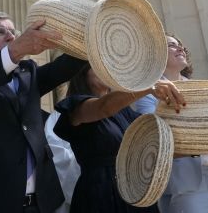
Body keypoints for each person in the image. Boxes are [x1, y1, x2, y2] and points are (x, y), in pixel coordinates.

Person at [0, 11, 89, 213]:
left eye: (13, 32)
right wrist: (15, 50)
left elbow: (64, 67)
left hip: (43, 203)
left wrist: (89, 37)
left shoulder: (28, 72)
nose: (11, 36)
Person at [53, 63, 183, 212]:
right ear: (82, 75)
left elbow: (156, 146)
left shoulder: (126, 112)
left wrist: (199, 145)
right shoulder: (76, 106)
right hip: (100, 192)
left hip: (135, 191)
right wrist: (148, 86)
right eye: (98, 67)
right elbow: (103, 107)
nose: (105, 72)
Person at [134, 34, 208, 213]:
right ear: (156, 54)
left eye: (180, 45)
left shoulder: (203, 89)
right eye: (171, 46)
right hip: (183, 184)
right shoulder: (147, 94)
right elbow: (156, 134)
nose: (180, 48)